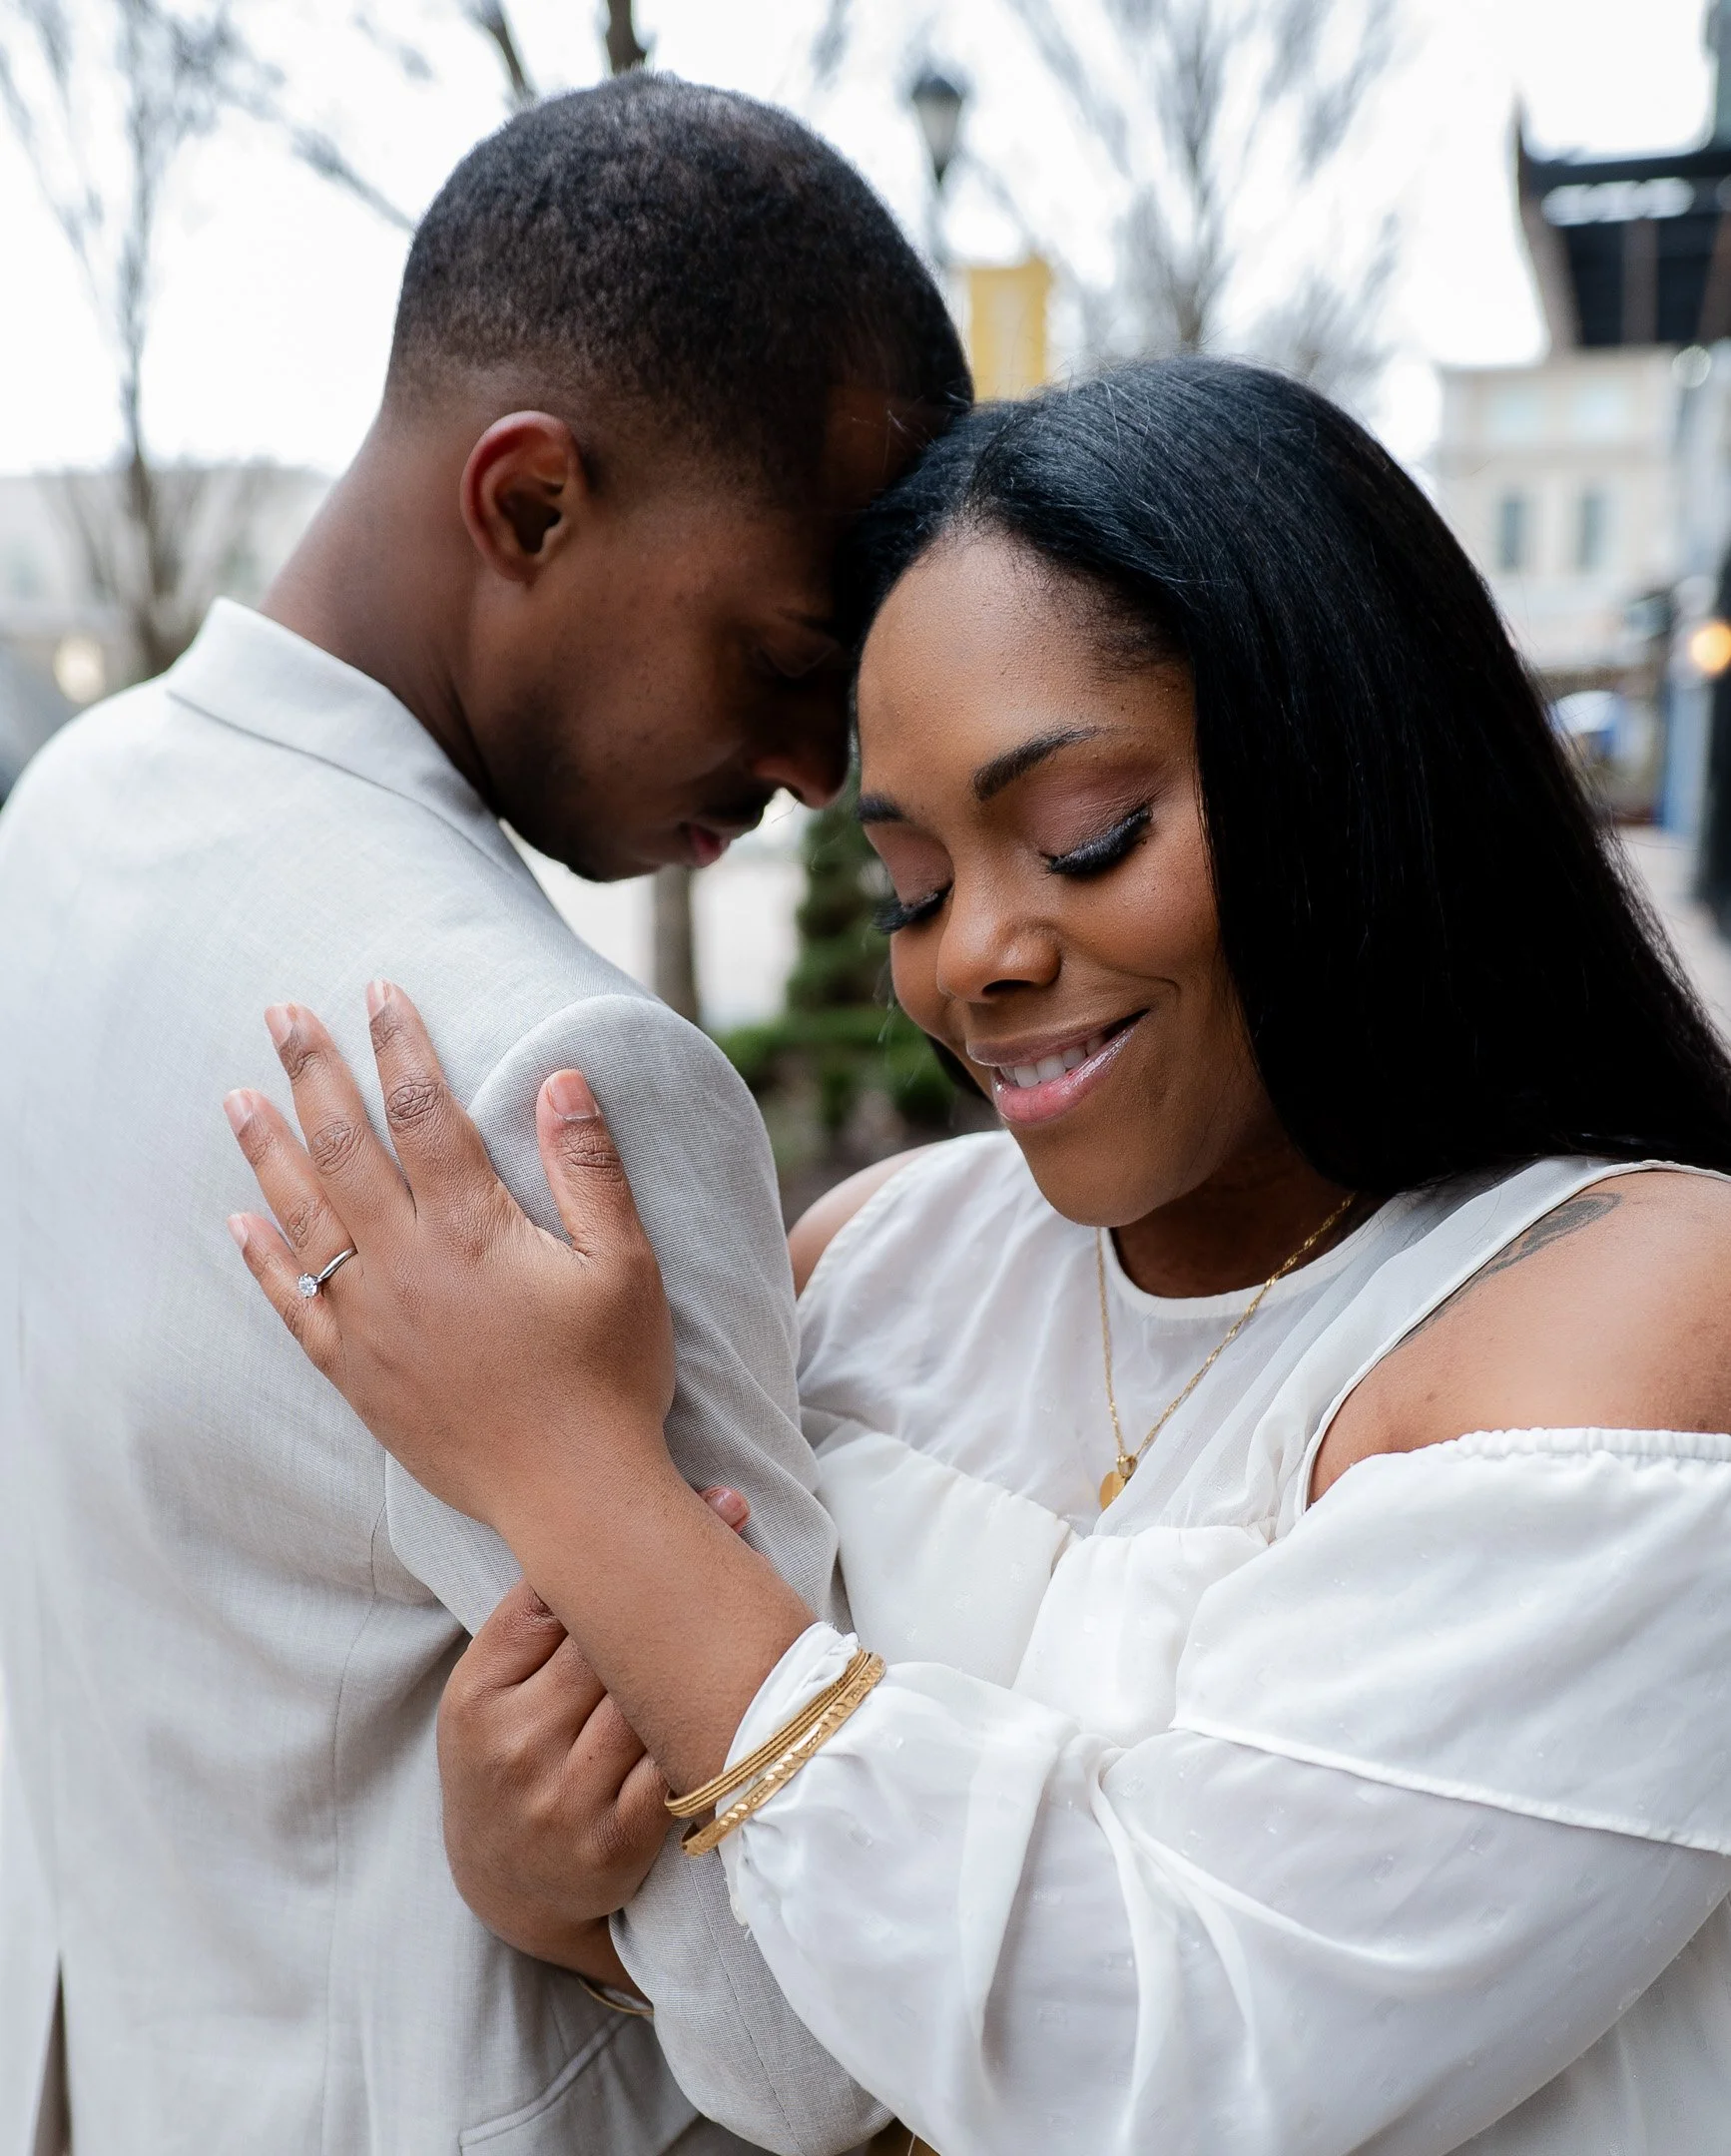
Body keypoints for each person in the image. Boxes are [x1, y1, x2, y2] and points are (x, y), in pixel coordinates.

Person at [225, 360, 1731, 2154]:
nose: (972, 963)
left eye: (1083, 837)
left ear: (1352, 771)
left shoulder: (1636, 1310)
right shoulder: (875, 1254)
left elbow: (1169, 2061)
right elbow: (824, 2036)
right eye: (912, 887)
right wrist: (541, 1876)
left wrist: (562, 1468)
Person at [0, 75, 969, 2156]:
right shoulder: (553, 1082)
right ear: (528, 504)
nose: (821, 765)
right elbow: (816, 2013)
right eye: (797, 654)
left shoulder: (72, 816)